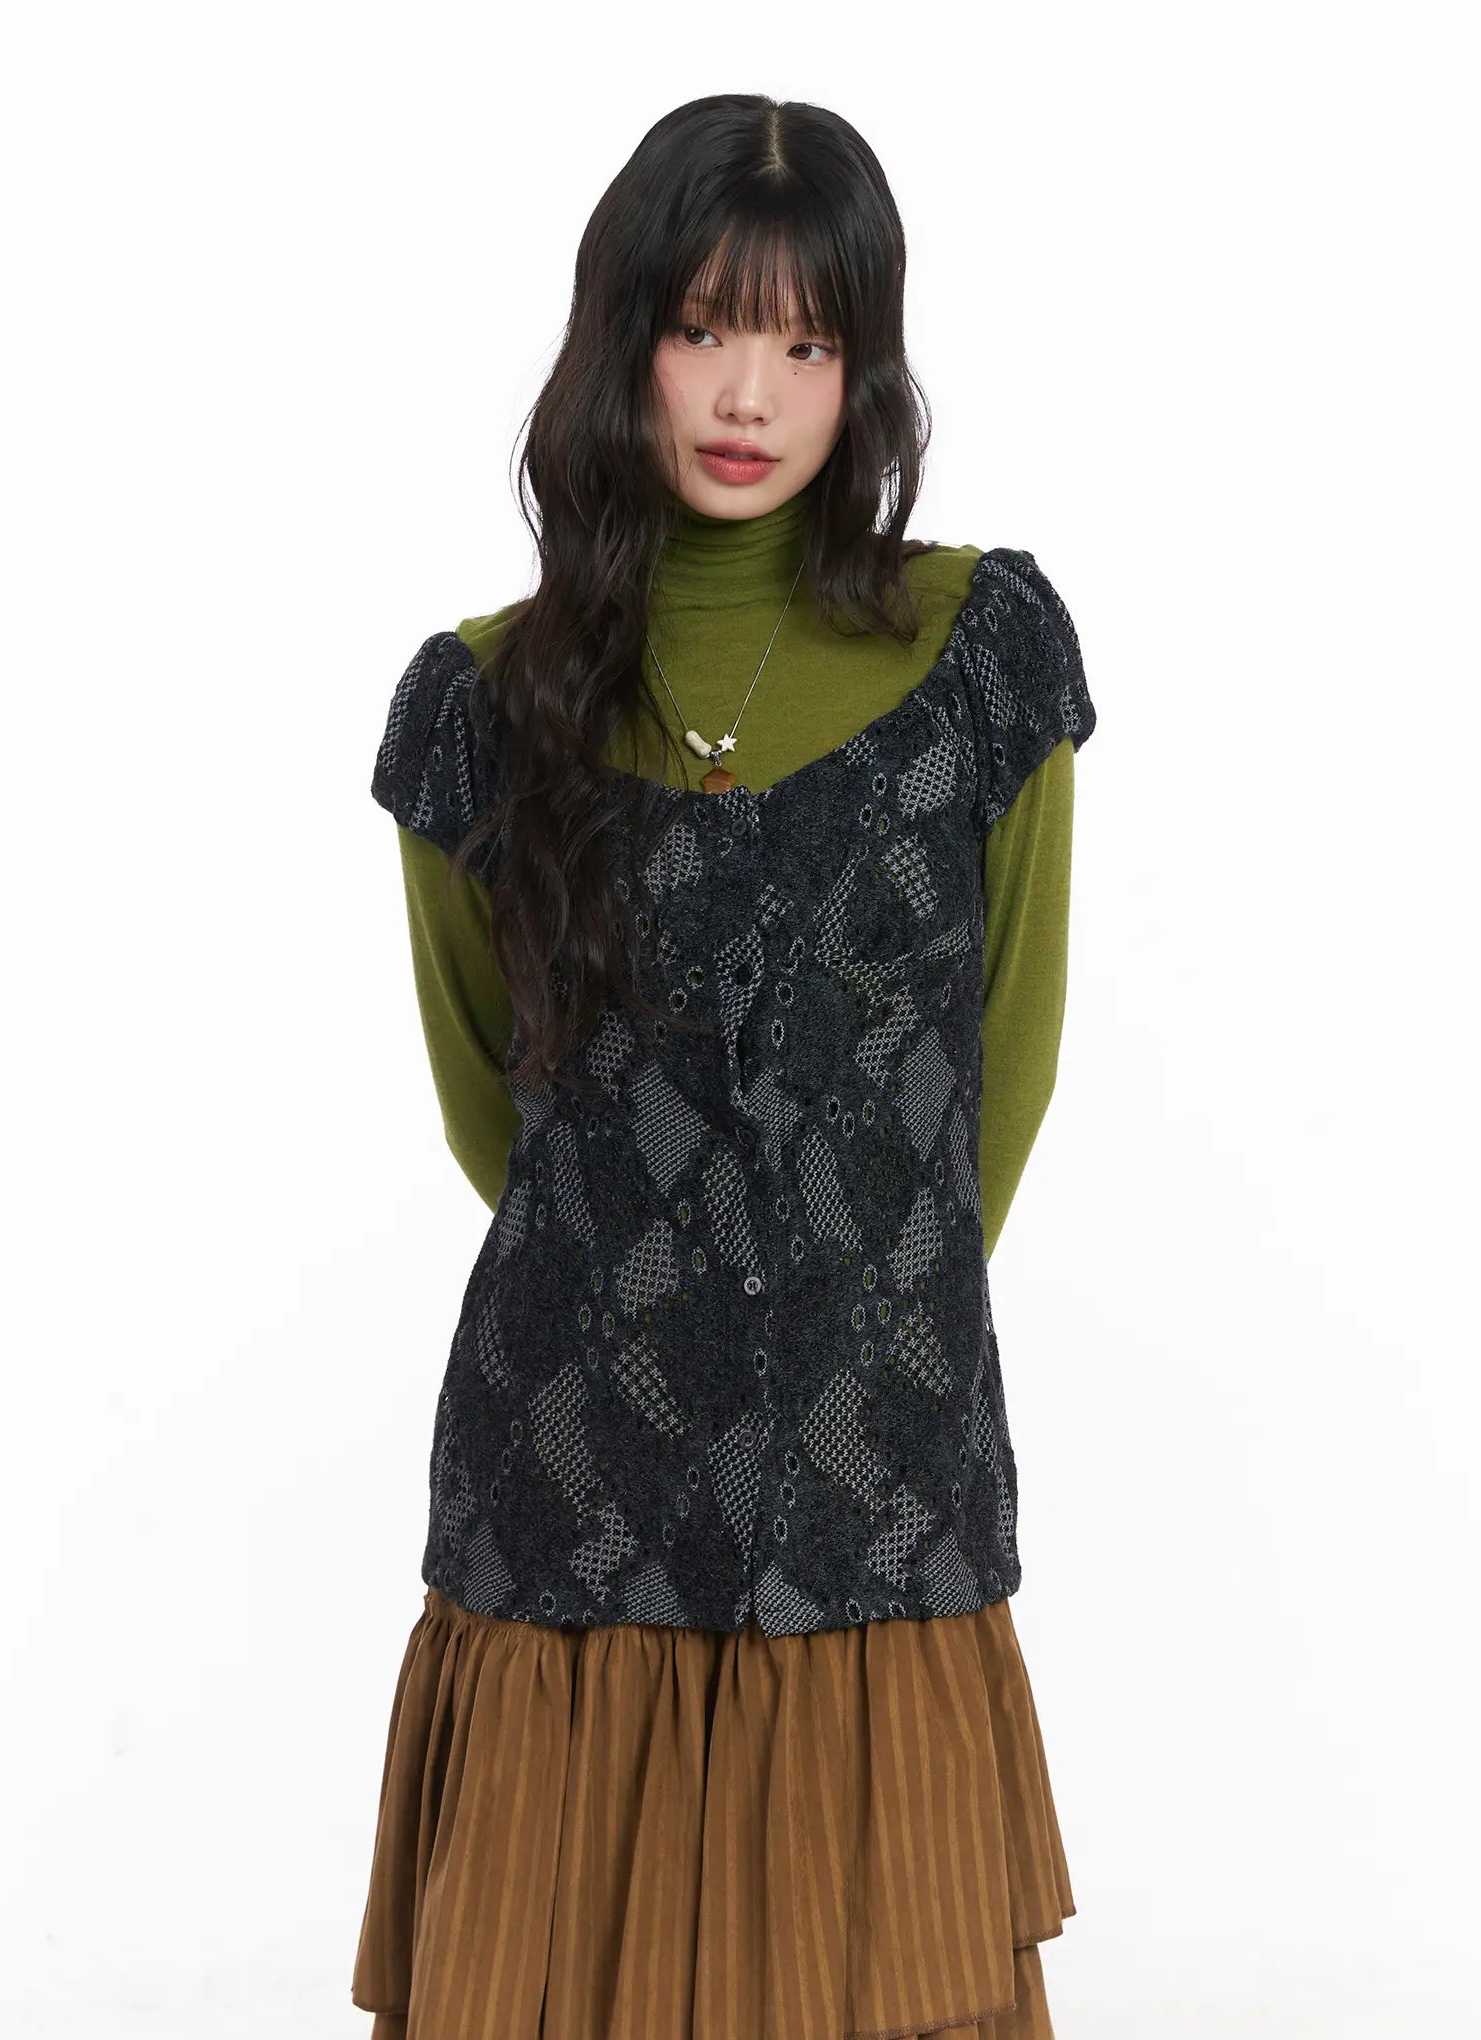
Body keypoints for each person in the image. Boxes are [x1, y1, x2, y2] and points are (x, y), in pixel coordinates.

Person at [351, 92, 1095, 2040]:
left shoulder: (978, 657)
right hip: (571, 1468)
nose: (751, 393)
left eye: (808, 342)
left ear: (866, 369)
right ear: (626, 339)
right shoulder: (482, 702)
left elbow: (1005, 1066)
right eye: (703, 328)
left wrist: (854, 1326)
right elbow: (495, 1104)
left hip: (878, 1465)